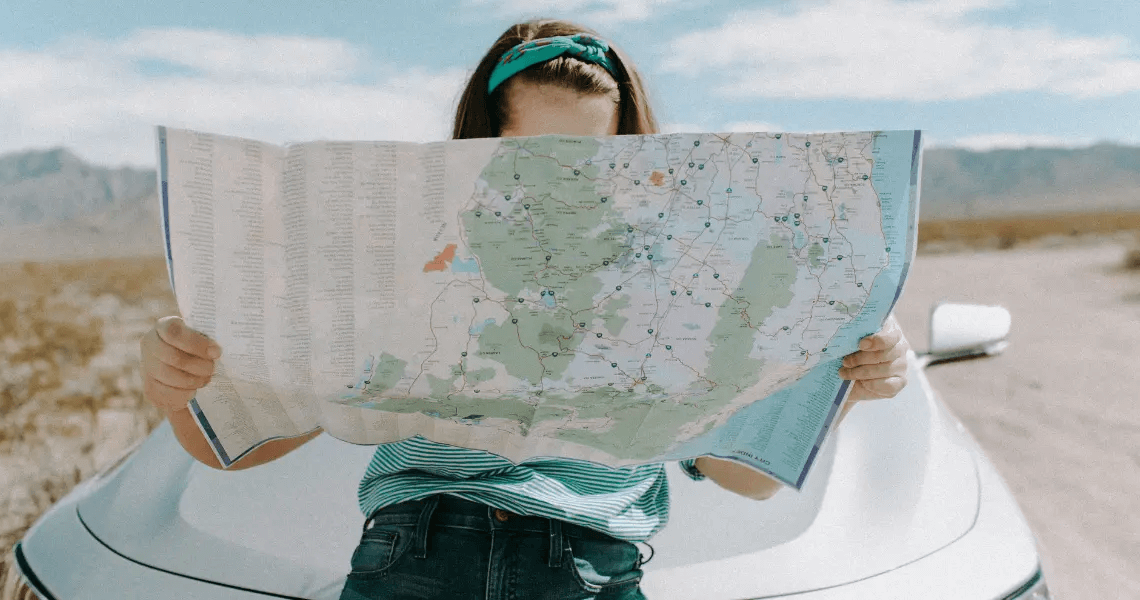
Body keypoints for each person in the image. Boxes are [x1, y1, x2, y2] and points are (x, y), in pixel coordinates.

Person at [140, 18, 911, 600]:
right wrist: (180, 386)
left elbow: (745, 479)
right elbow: (235, 446)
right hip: (414, 555)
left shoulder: (684, 271)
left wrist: (842, 381)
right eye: (529, 158)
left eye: (588, 161)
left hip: (589, 568)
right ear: (480, 146)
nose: (558, 184)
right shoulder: (408, 252)